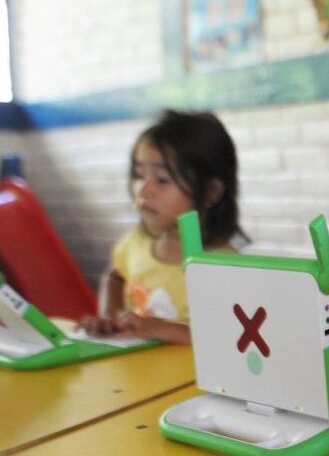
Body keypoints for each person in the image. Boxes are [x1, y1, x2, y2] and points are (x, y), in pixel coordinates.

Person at [81, 110, 247, 344]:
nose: (143, 189)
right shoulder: (137, 240)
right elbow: (115, 276)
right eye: (139, 175)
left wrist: (162, 329)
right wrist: (110, 316)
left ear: (211, 192)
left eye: (161, 179)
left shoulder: (225, 267)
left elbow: (227, 338)